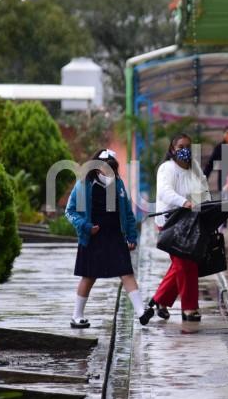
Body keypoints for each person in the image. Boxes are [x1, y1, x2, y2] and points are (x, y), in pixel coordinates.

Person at [66, 149, 154, 328]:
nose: (109, 173)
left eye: (112, 169)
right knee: (89, 276)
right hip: (93, 236)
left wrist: (131, 235)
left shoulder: (119, 184)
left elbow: (128, 213)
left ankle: (141, 313)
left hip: (115, 234)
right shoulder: (84, 184)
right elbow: (70, 210)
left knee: (126, 272)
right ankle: (77, 316)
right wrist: (85, 226)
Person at [150, 133, 211, 322]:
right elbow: (164, 192)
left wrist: (207, 206)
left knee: (182, 265)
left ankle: (160, 300)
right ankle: (189, 308)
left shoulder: (195, 167)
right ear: (172, 149)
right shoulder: (166, 168)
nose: (185, 150)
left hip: (191, 223)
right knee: (185, 265)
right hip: (171, 224)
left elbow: (204, 187)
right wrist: (184, 202)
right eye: (180, 146)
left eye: (188, 146)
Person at [204, 126, 228, 228]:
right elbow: (210, 163)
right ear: (224, 135)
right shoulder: (219, 147)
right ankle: (224, 219)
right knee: (225, 199)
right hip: (224, 176)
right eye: (227, 133)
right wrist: (204, 177)